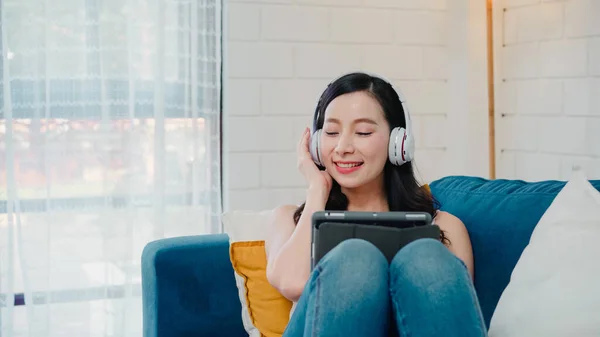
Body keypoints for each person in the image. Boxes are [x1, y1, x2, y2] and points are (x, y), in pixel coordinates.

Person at [264, 72, 487, 337]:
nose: (343, 147)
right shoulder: (288, 220)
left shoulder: (444, 227)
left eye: (363, 132)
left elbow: (447, 316)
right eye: (332, 132)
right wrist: (317, 191)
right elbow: (292, 283)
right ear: (314, 144)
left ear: (398, 143)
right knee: (355, 258)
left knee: (426, 256)